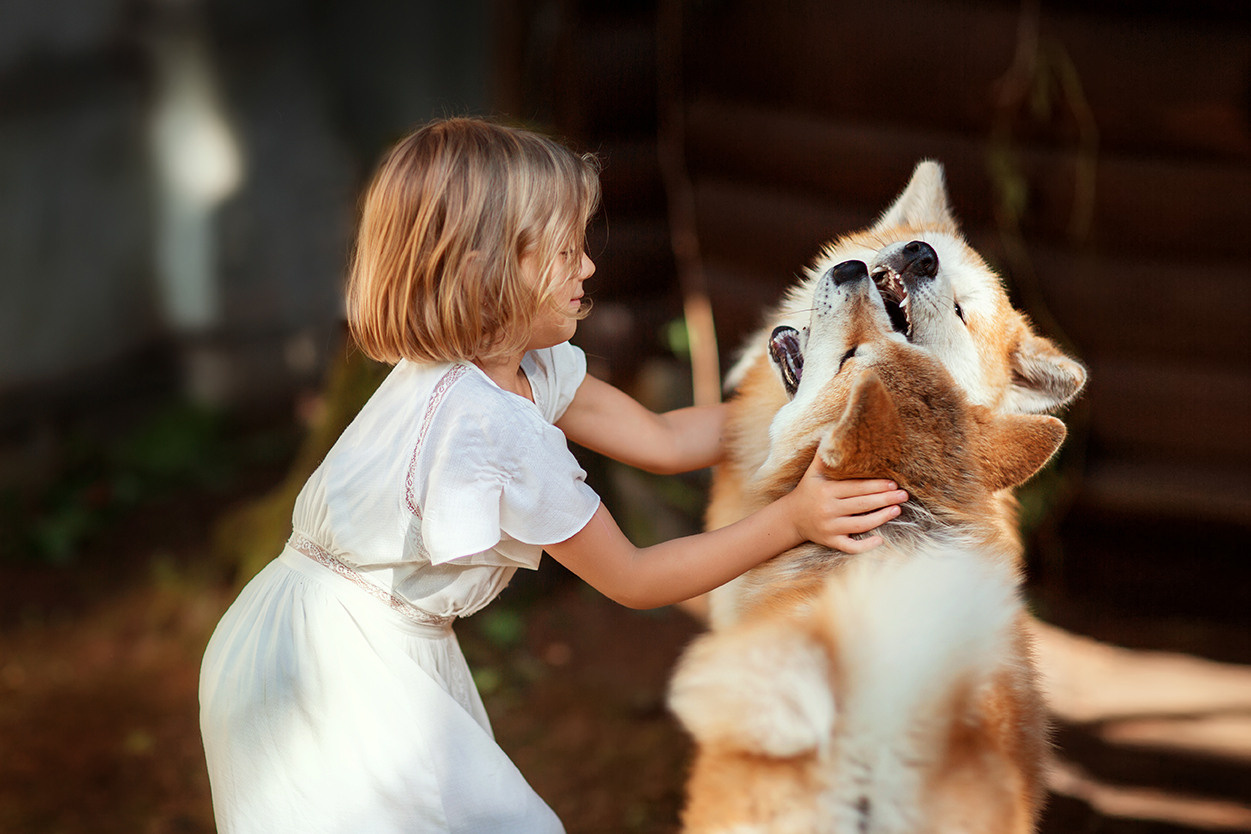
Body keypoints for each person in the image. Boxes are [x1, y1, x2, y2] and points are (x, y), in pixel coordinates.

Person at [199, 117, 907, 833]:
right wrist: (793, 520)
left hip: (318, 638)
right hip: (328, 673)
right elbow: (634, 578)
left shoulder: (515, 366)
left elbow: (662, 440)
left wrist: (815, 404)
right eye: (566, 251)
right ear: (489, 272)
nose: (588, 268)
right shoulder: (486, 428)